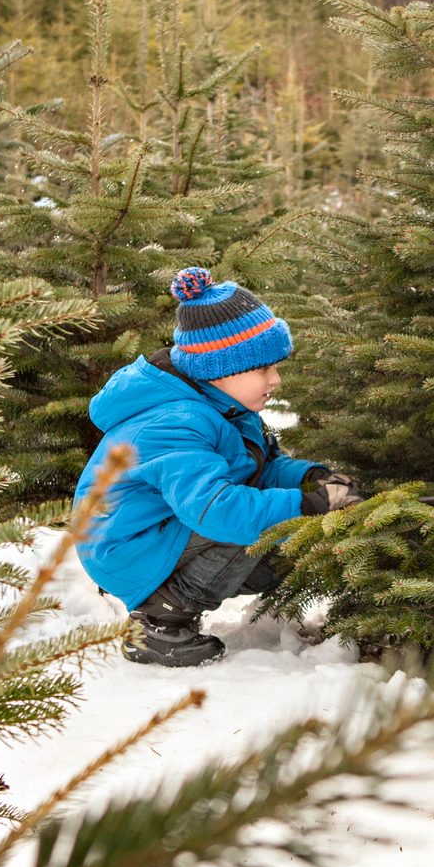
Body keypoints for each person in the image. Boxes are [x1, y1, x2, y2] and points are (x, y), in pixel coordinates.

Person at [75, 267, 362, 667]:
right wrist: (307, 506)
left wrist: (309, 478)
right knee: (244, 521)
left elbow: (261, 470)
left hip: (163, 534)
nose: (276, 379)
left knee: (267, 528)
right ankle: (158, 623)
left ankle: (187, 592)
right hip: (126, 546)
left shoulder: (226, 406)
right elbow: (216, 510)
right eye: (264, 368)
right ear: (221, 368)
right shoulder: (176, 422)